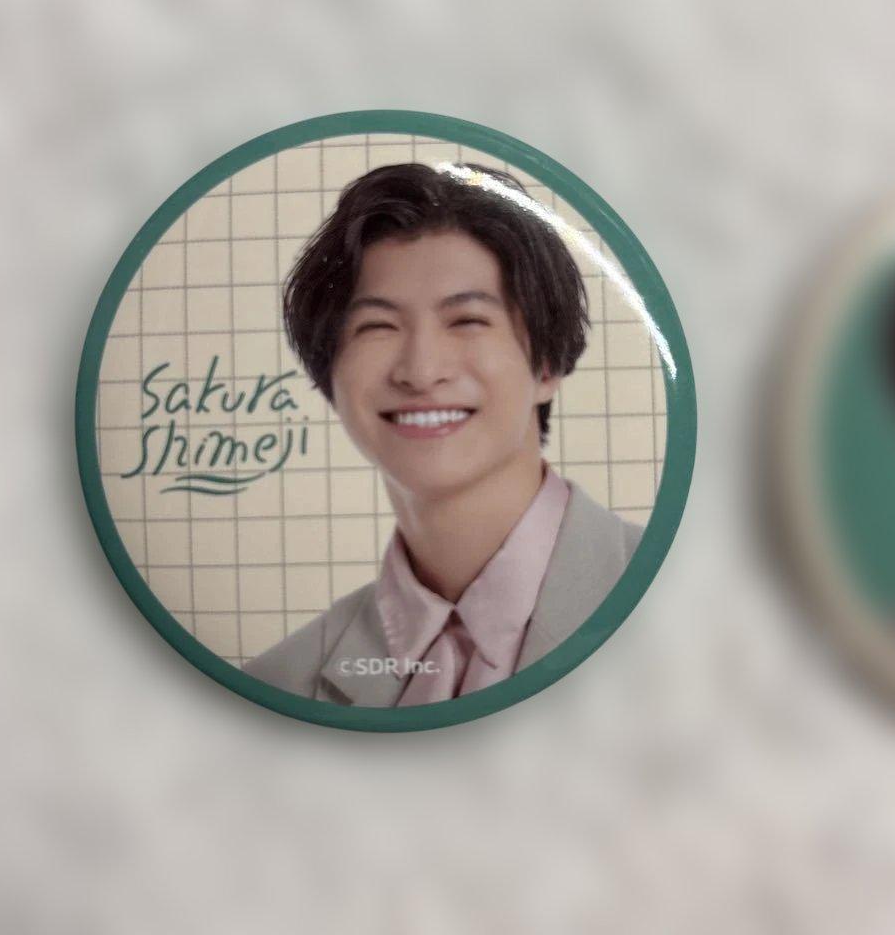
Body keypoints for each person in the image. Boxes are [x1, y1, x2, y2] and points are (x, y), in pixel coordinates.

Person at [243, 161, 642, 705]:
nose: (421, 371)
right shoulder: (275, 689)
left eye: (467, 320)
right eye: (377, 326)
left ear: (547, 364)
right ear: (328, 374)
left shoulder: (686, 596)